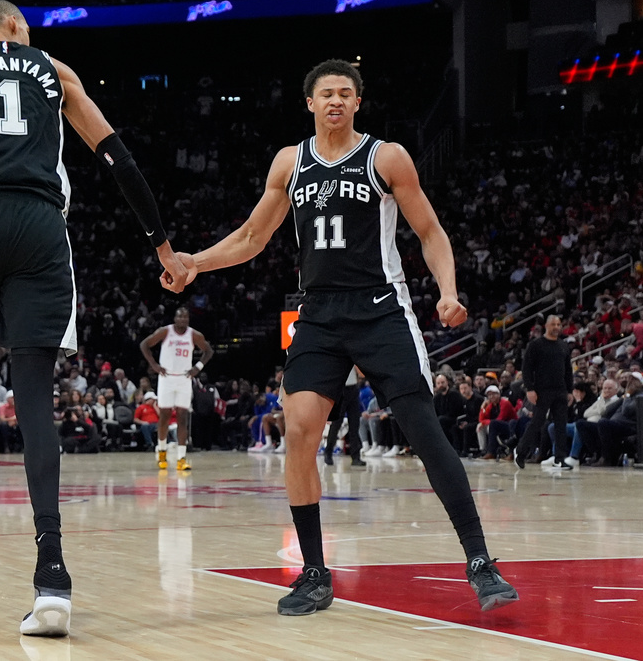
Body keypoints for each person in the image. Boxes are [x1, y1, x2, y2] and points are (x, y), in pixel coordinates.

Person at [0, 0, 187, 637]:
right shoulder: (57, 70)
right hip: (43, 228)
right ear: (18, 27)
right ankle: (53, 578)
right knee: (37, 399)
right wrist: (162, 245)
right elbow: (117, 158)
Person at [168, 59, 518, 615]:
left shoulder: (386, 156)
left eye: (345, 94)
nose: (335, 101)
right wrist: (196, 262)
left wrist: (447, 290)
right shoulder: (290, 162)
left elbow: (429, 230)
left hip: (381, 309)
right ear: (309, 103)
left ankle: (480, 561)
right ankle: (313, 572)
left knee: (424, 432)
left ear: (358, 103)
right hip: (318, 314)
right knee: (300, 430)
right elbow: (254, 235)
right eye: (326, 93)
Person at [139, 307, 214, 471]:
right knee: (164, 417)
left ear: (188, 319)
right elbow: (144, 344)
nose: (182, 319)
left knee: (182, 418)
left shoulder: (194, 335)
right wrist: (154, 365)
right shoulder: (165, 332)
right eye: (180, 316)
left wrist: (198, 367)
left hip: (184, 378)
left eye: (185, 317)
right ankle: (162, 453)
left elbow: (208, 351)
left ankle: (181, 457)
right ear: (175, 318)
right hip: (166, 378)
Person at [514, 315, 574, 469]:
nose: (556, 327)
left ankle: (560, 458)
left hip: (560, 390)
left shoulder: (563, 346)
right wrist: (530, 389)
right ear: (546, 326)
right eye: (553, 324)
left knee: (561, 425)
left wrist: (570, 390)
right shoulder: (536, 345)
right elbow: (526, 368)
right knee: (537, 423)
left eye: (559, 324)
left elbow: (568, 370)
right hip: (542, 390)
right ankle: (520, 452)